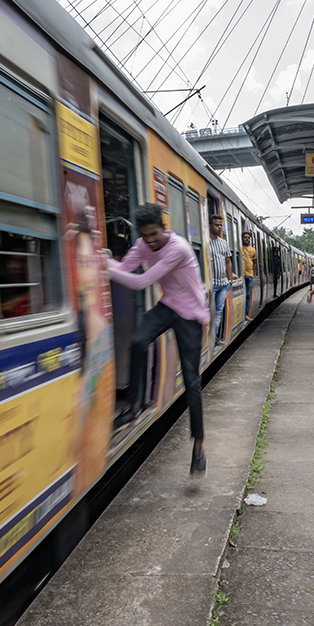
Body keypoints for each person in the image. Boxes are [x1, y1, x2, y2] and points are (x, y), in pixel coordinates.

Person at [107, 203, 211, 476]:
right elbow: (125, 268)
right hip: (168, 305)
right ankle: (134, 405)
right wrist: (106, 261)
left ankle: (198, 447)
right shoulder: (142, 244)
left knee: (191, 381)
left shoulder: (178, 248)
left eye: (154, 234)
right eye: (145, 235)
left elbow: (141, 282)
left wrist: (103, 266)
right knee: (138, 342)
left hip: (190, 313)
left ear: (164, 229)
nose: (150, 241)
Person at [208, 214, 234, 344]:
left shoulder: (224, 243)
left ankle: (214, 338)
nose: (219, 227)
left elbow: (228, 262)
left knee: (218, 312)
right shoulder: (205, 241)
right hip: (211, 284)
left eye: (220, 225)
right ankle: (207, 339)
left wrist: (229, 281)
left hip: (223, 284)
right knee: (209, 313)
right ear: (209, 225)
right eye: (217, 225)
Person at [241, 231, 257, 321]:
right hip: (242, 275)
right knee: (242, 295)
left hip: (249, 275)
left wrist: (253, 273)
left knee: (247, 295)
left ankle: (246, 314)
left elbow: (255, 262)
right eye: (245, 237)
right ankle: (242, 315)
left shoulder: (253, 250)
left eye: (248, 238)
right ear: (242, 238)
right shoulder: (239, 248)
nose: (247, 239)